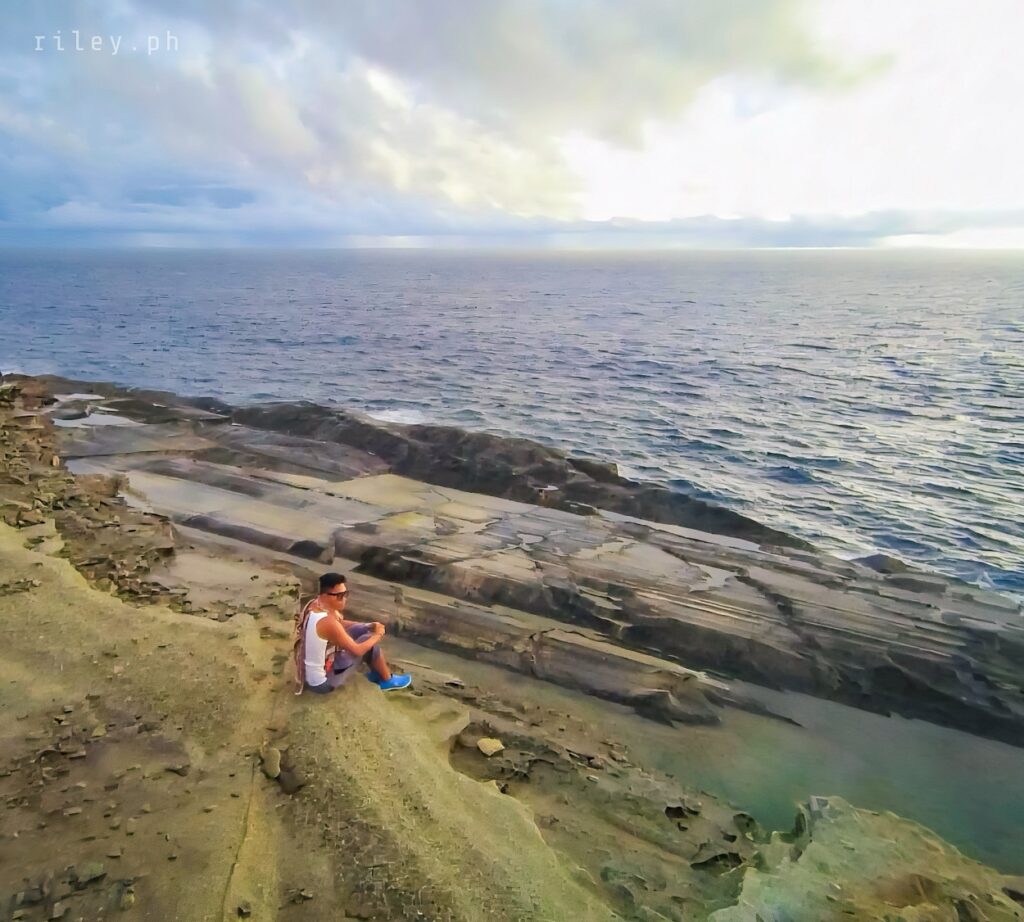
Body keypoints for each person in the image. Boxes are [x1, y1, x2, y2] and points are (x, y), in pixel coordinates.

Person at [293, 571, 412, 695]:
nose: (344, 599)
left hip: (310, 670)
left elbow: (341, 624)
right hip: (322, 683)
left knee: (364, 631)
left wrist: (367, 626)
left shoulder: (314, 605)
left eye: (345, 594)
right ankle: (387, 680)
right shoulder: (327, 622)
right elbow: (358, 650)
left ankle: (377, 672)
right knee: (368, 641)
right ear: (325, 596)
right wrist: (378, 634)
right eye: (339, 596)